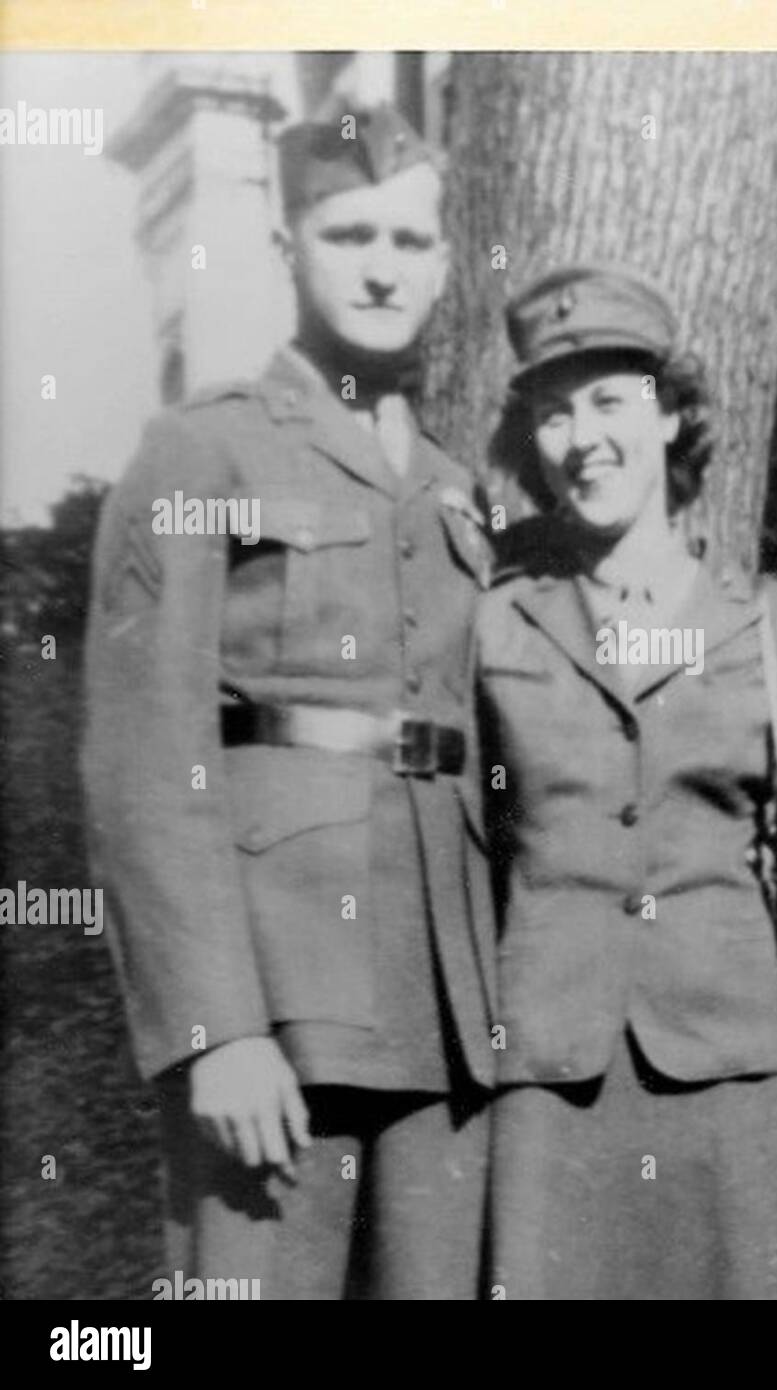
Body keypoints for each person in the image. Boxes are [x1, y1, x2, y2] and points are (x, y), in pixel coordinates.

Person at [82, 104, 496, 1299]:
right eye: (347, 232)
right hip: (279, 998)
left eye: (410, 242)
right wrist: (215, 1028)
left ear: (444, 260)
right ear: (286, 250)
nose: (380, 266)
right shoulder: (201, 452)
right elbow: (147, 760)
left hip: (445, 1007)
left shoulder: (460, 489)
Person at [473, 264, 777, 1300]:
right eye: (553, 415)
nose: (582, 437)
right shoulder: (495, 619)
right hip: (547, 1070)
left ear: (672, 414)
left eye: (609, 401)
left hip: (736, 1070)